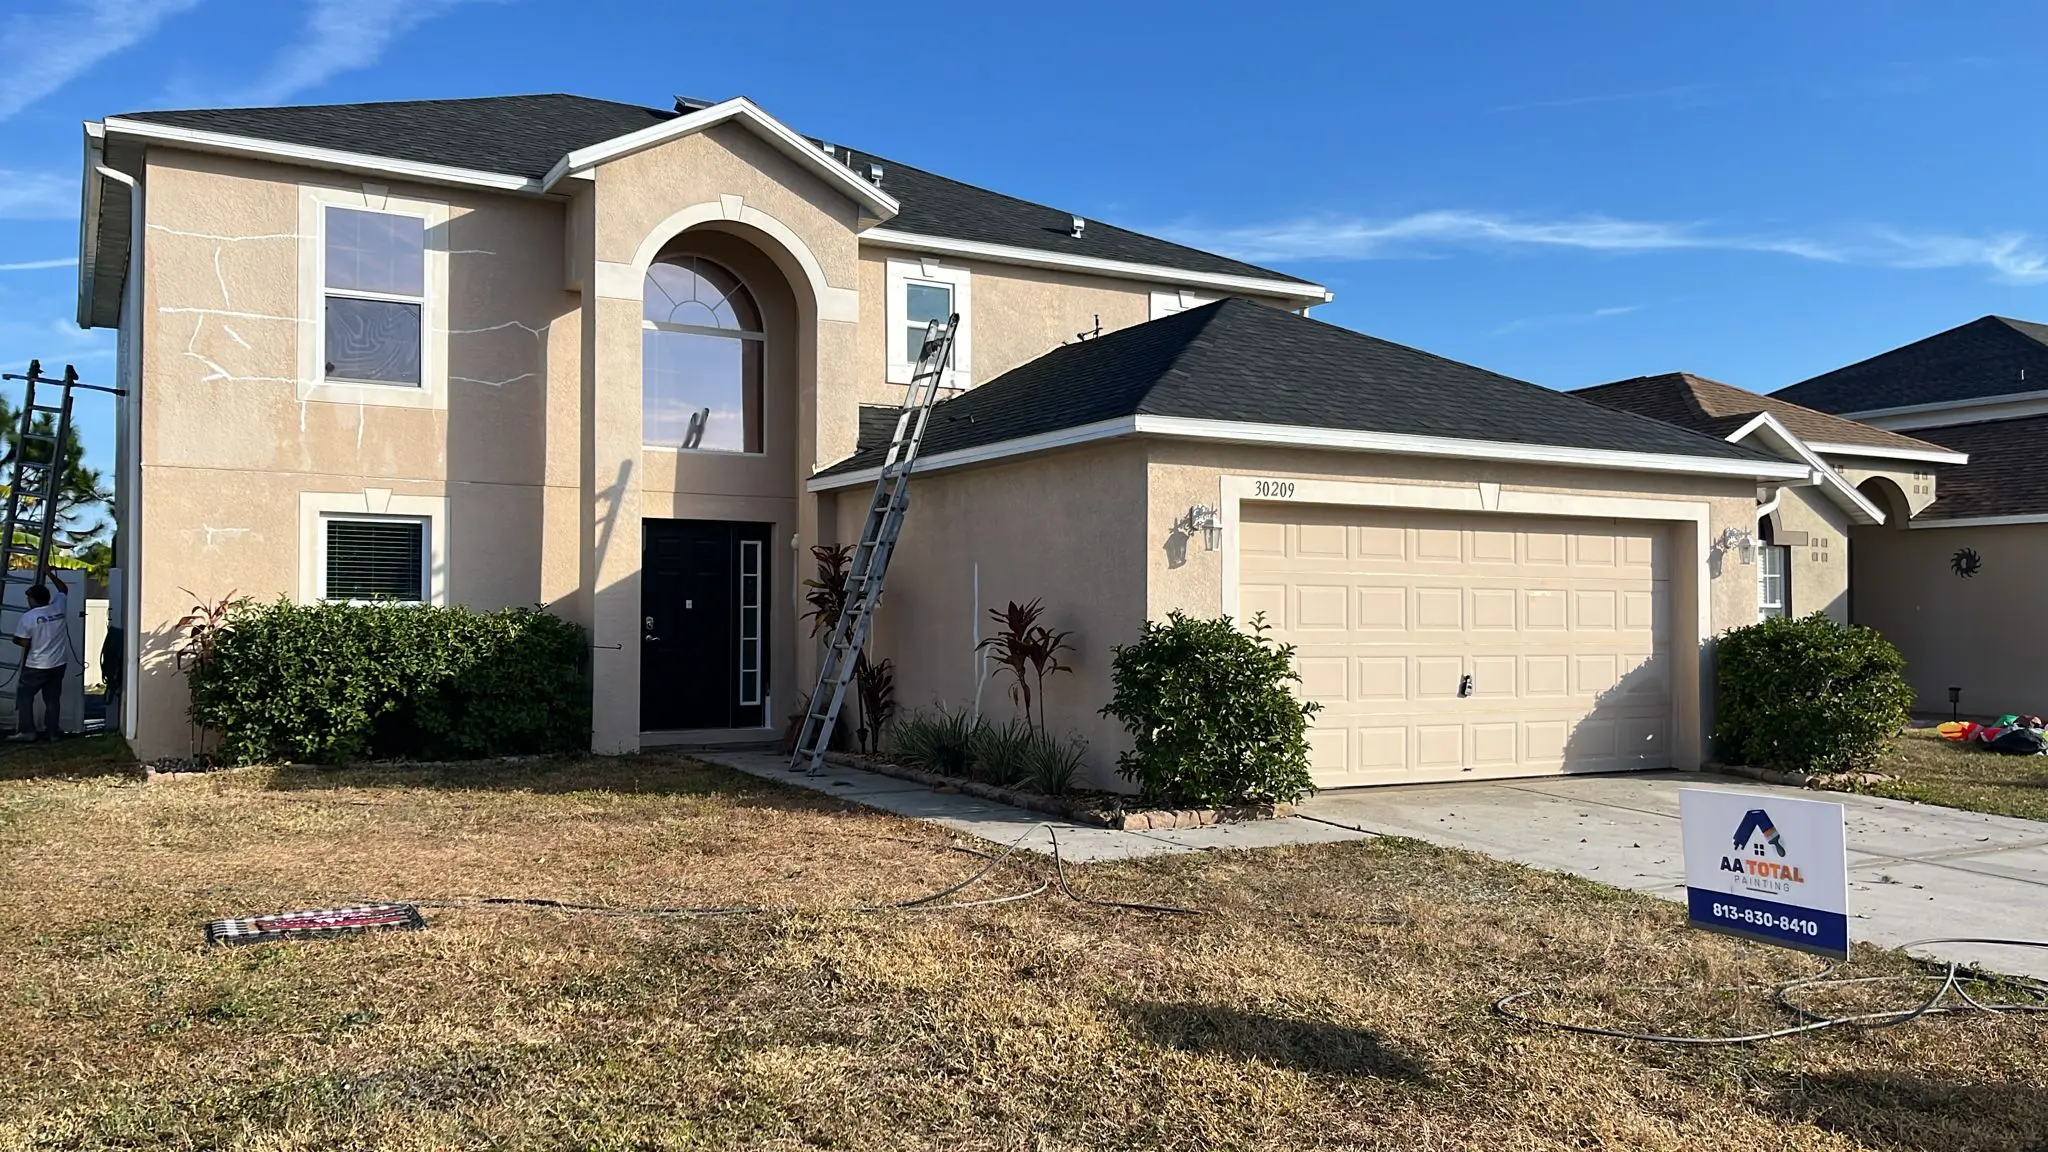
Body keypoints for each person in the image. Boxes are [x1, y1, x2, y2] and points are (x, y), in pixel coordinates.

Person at [11, 571, 69, 742]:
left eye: (29, 598)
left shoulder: (29, 617)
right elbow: (63, 589)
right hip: (58, 663)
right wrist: (49, 573)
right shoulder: (59, 606)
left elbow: (23, 642)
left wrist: (15, 638)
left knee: (24, 696)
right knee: (52, 699)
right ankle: (52, 733)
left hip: (37, 665)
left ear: (34, 599)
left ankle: (27, 731)